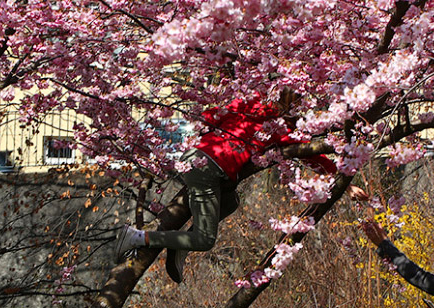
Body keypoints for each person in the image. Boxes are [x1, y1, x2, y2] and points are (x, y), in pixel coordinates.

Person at [113, 91, 368, 282]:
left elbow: (209, 115)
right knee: (204, 240)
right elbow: (311, 155)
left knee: (231, 201)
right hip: (207, 169)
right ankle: (137, 237)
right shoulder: (279, 128)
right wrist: (346, 186)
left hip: (198, 158)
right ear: (291, 107)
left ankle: (180, 244)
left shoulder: (251, 101)